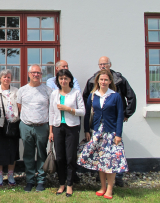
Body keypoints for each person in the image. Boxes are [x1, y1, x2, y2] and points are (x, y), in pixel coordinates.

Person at [82, 56, 136, 187]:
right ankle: (101, 181)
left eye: (105, 64)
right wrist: (89, 123)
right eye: (100, 64)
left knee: (114, 154)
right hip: (98, 125)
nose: (103, 66)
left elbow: (131, 97)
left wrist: (126, 114)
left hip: (112, 123)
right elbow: (86, 101)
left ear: (110, 64)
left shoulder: (119, 80)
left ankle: (117, 178)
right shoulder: (92, 81)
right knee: (99, 152)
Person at [78, 69, 128, 199]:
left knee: (110, 161)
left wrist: (118, 134)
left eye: (106, 79)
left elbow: (119, 116)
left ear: (110, 81)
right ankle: (103, 187)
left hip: (111, 133)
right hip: (96, 132)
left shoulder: (115, 96)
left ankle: (110, 189)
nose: (103, 82)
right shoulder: (93, 95)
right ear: (98, 81)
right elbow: (87, 114)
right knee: (100, 161)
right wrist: (87, 130)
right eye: (101, 79)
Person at [48, 69, 85, 197]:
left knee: (70, 157)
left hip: (72, 127)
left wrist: (68, 109)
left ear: (70, 80)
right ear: (57, 80)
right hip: (58, 127)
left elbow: (82, 111)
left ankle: (69, 185)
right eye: (61, 78)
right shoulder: (54, 93)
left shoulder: (76, 93)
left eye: (65, 78)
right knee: (60, 157)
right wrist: (51, 131)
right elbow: (51, 113)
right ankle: (61, 184)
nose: (63, 81)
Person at [17, 64, 52, 192]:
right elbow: (19, 107)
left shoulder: (48, 91)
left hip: (42, 126)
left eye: (39, 73)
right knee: (28, 154)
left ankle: (41, 180)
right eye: (33, 72)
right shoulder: (22, 90)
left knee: (42, 153)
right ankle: (30, 180)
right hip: (26, 125)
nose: (36, 75)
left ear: (41, 75)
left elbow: (51, 109)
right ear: (29, 74)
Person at [0, 69, 20, 187]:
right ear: (0, 78)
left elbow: (19, 105)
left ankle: (11, 174)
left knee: (12, 150)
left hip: (13, 124)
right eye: (4, 77)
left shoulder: (16, 91)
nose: (6, 79)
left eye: (8, 77)